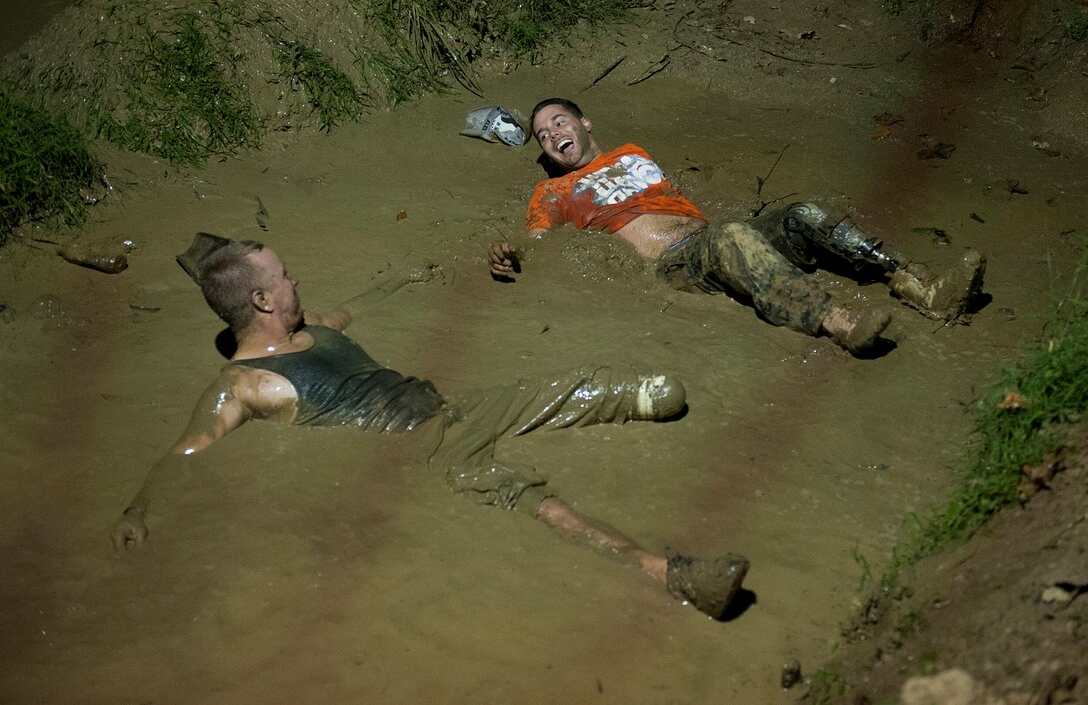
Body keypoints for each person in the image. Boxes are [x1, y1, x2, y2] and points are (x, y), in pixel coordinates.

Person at [111, 233, 750, 620]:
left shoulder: (314, 329)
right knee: (543, 507)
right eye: (285, 275)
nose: (296, 278)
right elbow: (186, 451)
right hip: (422, 449)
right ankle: (665, 572)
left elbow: (358, 303)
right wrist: (138, 510)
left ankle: (641, 402)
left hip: (453, 408)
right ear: (263, 301)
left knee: (649, 391)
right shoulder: (244, 385)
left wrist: (414, 275)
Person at [488, 98, 986, 355]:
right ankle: (842, 324)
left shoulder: (633, 152)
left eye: (558, 121)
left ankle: (921, 286)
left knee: (803, 214)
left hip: (711, 240)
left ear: (584, 123)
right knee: (730, 236)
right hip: (674, 265)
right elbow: (540, 246)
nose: (552, 133)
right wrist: (514, 256)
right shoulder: (550, 193)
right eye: (542, 134)